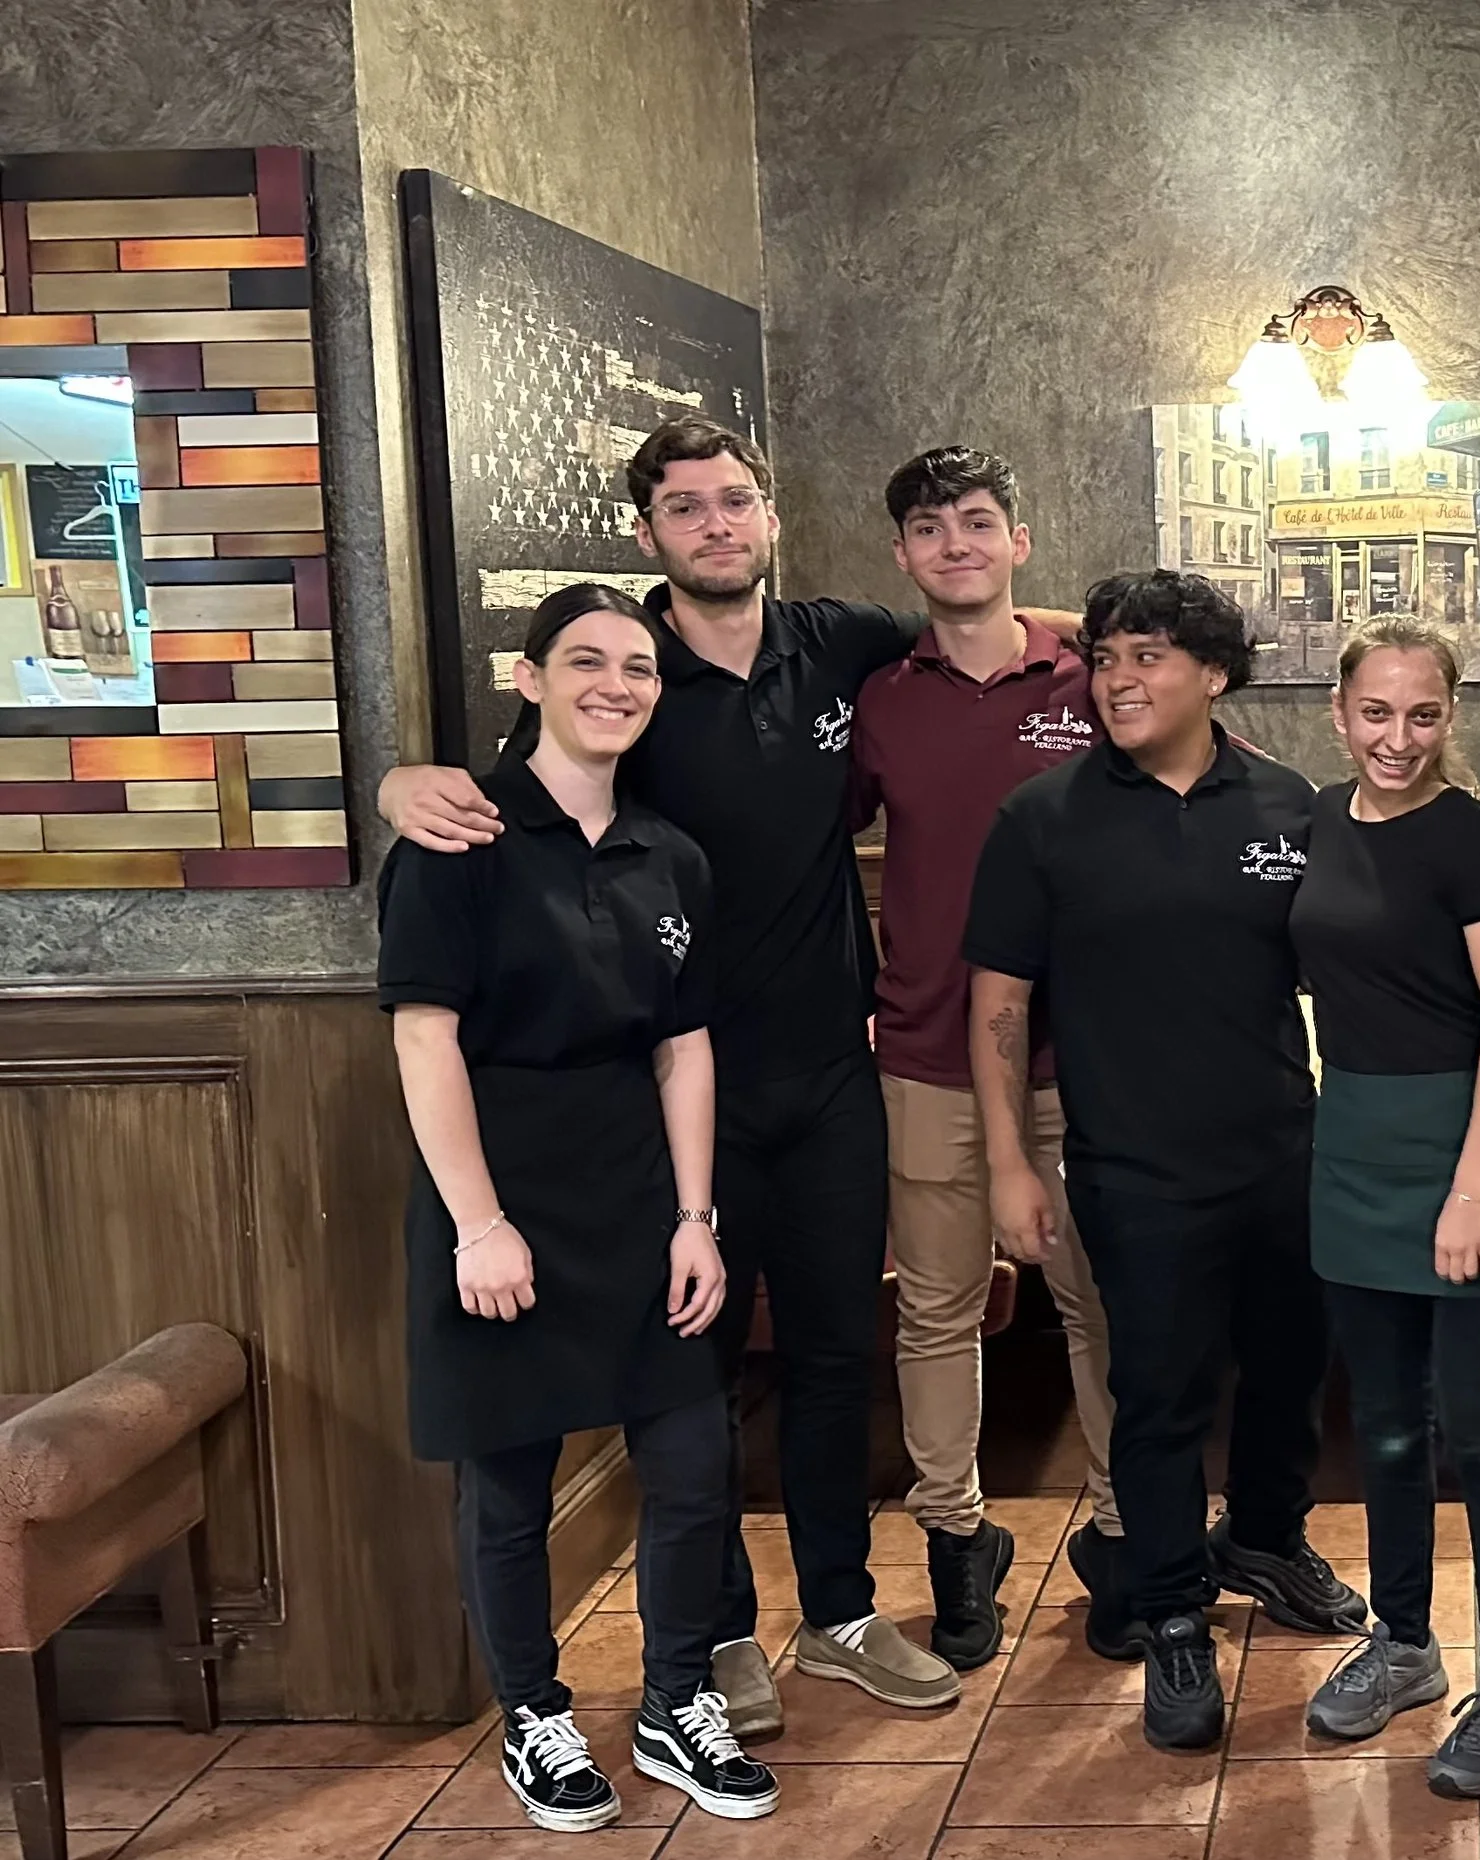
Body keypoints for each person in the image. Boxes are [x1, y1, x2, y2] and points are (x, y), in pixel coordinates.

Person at [377, 417, 1046, 1734]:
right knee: (696, 1377)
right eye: (686, 509)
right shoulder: (620, 673)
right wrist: (399, 783)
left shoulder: (840, 642)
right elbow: (503, 781)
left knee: (835, 1351)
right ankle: (725, 1635)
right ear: (649, 535)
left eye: (736, 501)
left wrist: (1098, 633)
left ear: (771, 516)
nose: (717, 524)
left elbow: (979, 608)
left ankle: (844, 1613)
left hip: (831, 1079)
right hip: (676, 1107)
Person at [379, 583, 777, 1830]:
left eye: (640, 669)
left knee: (692, 1462)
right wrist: (478, 1224)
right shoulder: (459, 842)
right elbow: (426, 1040)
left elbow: (687, 1046)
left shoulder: (674, 855)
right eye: (588, 662)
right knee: (509, 1483)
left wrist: (696, 1216)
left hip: (640, 1198)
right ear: (531, 677)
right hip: (500, 1196)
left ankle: (672, 1701)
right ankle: (534, 1716)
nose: (617, 685)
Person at [962, 569, 1366, 1753]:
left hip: (1285, 1154)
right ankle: (1172, 1609)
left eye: (1146, 657)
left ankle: (1268, 1541)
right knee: (1155, 1398)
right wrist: (1009, 1166)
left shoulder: (1288, 804)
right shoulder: (1043, 817)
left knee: (1291, 1372)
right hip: (1133, 1169)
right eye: (1106, 658)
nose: (1119, 679)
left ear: (1214, 676)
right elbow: (997, 1002)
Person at [848, 446, 1121, 1670]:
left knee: (1101, 1313)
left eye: (977, 522)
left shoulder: (1090, 668)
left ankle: (1122, 1536)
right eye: (929, 529)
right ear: (903, 557)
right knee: (938, 1313)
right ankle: (958, 1542)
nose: (954, 543)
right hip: (925, 1051)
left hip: (1088, 1057)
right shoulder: (877, 698)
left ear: (1018, 540)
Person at [1287, 615, 1480, 1799]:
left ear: (1453, 716)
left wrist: (1471, 1186)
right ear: (1339, 717)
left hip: (1461, 1157)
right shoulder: (1308, 828)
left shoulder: (1471, 839)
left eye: (1424, 713)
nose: (1398, 737)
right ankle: (1402, 1644)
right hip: (1350, 1149)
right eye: (1376, 713)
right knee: (1384, 1428)